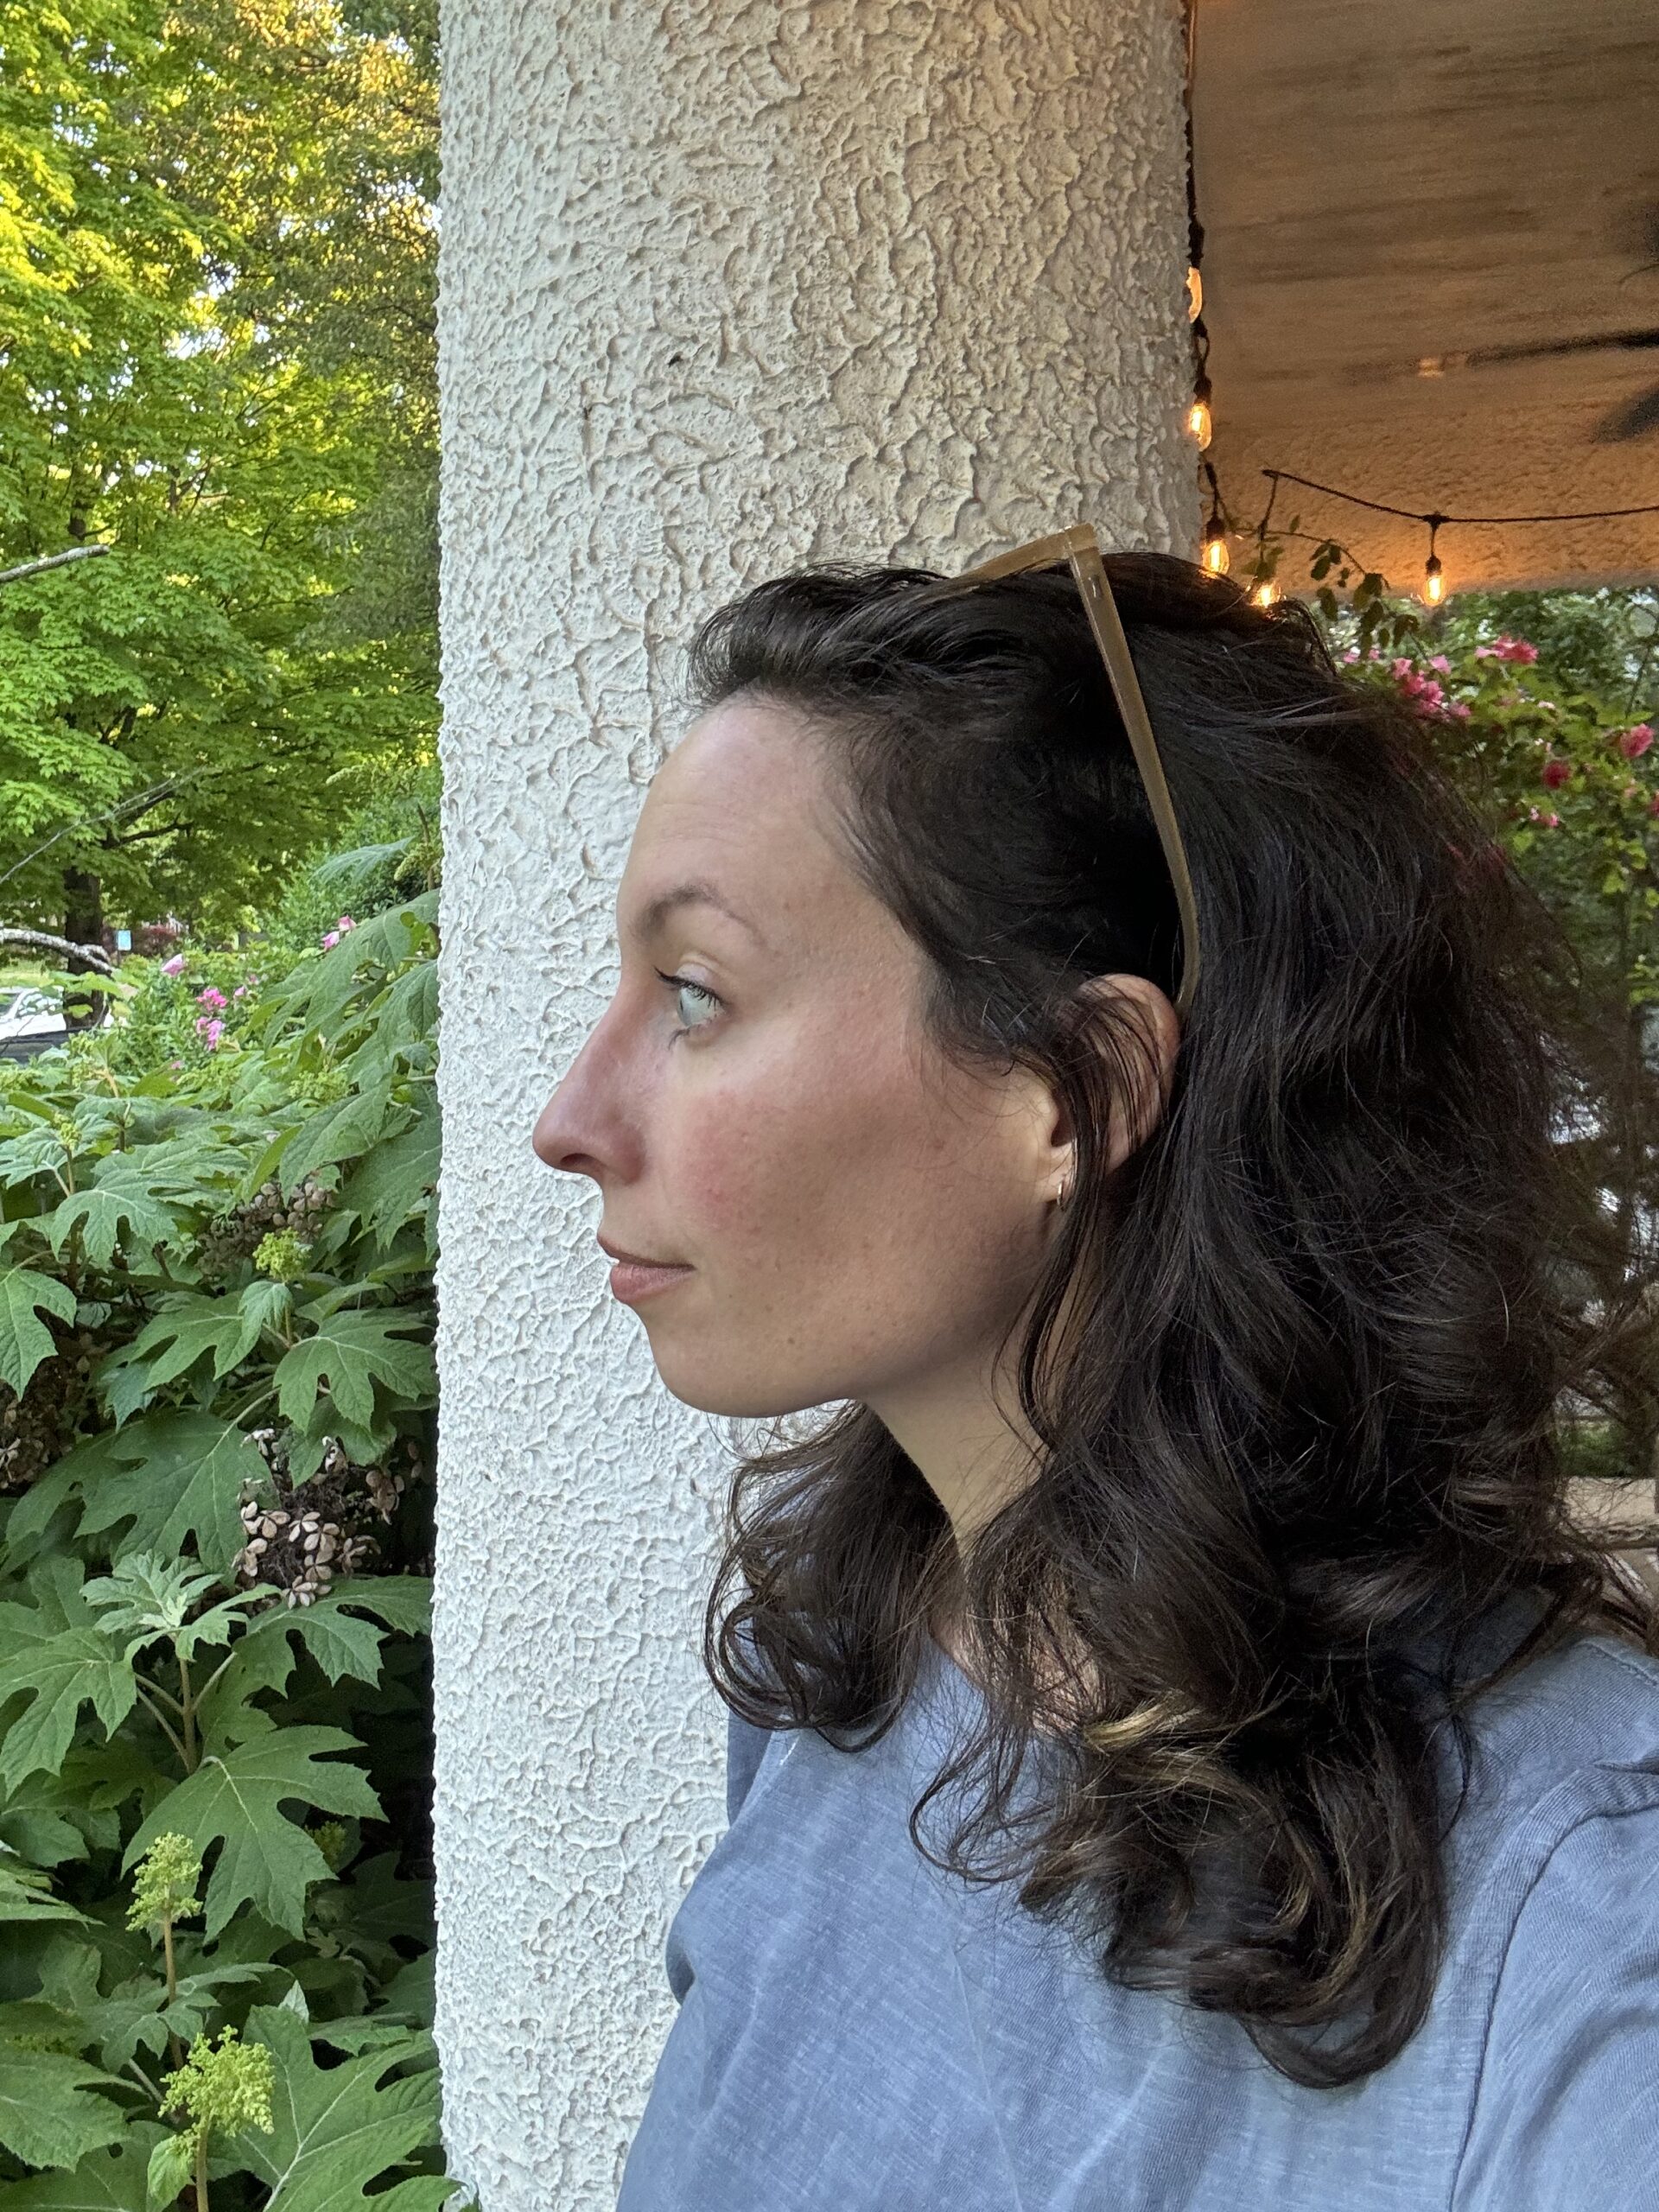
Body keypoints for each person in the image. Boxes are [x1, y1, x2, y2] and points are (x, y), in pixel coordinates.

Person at [531, 537, 1659, 2210]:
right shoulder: (843, 1667)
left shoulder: (1568, 1935)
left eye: (695, 992)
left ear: (1076, 1088)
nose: (569, 1117)